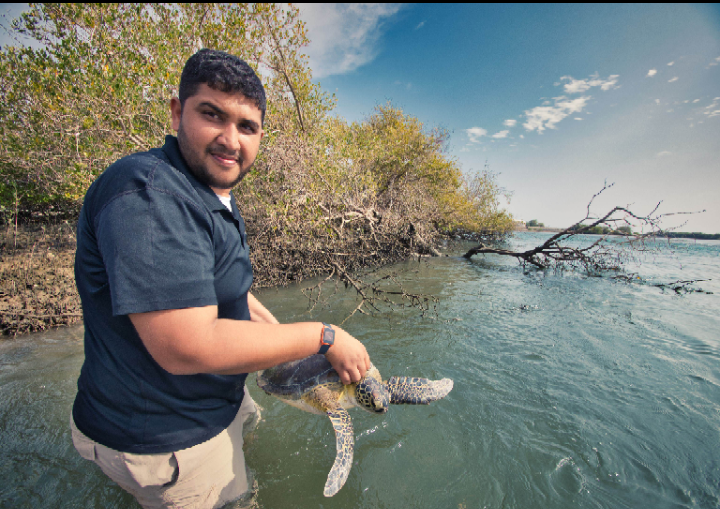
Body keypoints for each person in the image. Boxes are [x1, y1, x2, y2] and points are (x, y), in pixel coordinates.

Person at [70, 48, 371, 509]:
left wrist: (277, 336)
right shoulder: (151, 196)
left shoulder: (214, 193)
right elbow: (186, 346)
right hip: (165, 437)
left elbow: (230, 291)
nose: (230, 139)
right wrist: (325, 337)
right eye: (212, 115)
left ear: (260, 136)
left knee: (250, 433)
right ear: (177, 112)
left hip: (213, 400)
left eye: (247, 126)